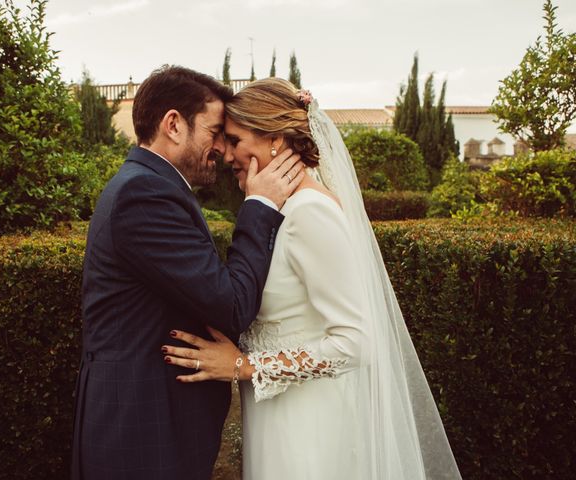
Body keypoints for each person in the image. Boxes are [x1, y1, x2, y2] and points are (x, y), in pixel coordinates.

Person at [163, 78, 463, 480]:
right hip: (280, 414)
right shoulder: (281, 212)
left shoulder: (310, 213)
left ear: (274, 138)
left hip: (308, 424)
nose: (227, 154)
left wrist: (243, 366)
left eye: (235, 140)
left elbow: (356, 342)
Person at [71, 66, 305, 480]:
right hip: (141, 432)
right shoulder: (144, 194)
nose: (222, 149)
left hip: (149, 420)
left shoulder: (149, 186)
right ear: (174, 125)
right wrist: (260, 205)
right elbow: (230, 305)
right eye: (215, 132)